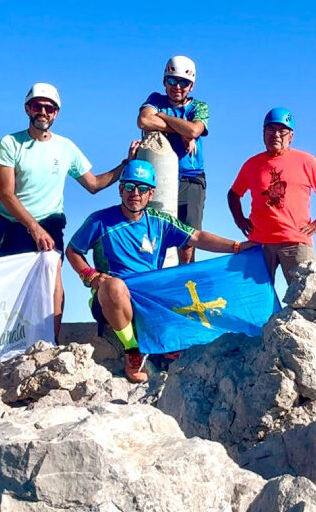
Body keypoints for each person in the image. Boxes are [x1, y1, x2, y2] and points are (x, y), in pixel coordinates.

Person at [65, 160, 253, 383]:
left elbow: (197, 238)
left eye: (143, 189)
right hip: (113, 298)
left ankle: (171, 347)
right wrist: (92, 276)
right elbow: (73, 251)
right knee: (115, 286)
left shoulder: (160, 221)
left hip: (150, 298)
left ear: (151, 194)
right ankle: (132, 351)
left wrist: (237, 247)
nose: (135, 193)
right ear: (120, 189)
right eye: (129, 187)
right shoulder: (99, 221)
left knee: (194, 286)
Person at [0, 82, 138, 338]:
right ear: (28, 108)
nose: (44, 112)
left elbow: (93, 184)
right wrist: (32, 227)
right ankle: (8, 342)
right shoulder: (9, 143)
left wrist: (125, 165)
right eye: (38, 106)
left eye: (50, 108)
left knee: (52, 277)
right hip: (12, 222)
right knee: (13, 286)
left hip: (50, 222)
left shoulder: (66, 147)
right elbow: (6, 193)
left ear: (56, 113)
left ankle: (51, 340)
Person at [228, 108, 316, 283]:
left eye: (282, 130)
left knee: (307, 297)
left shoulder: (305, 161)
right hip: (259, 243)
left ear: (291, 136)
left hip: (296, 241)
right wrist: (239, 219)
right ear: (263, 133)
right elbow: (233, 194)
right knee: (256, 300)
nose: (276, 135)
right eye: (271, 129)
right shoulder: (252, 164)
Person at [136, 55, 209, 264]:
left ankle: (184, 281)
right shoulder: (154, 99)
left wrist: (164, 117)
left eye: (184, 83)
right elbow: (143, 120)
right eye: (172, 80)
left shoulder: (199, 107)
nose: (177, 86)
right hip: (156, 177)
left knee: (188, 236)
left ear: (192, 86)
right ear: (164, 80)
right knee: (153, 231)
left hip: (190, 177)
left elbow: (195, 129)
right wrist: (181, 131)